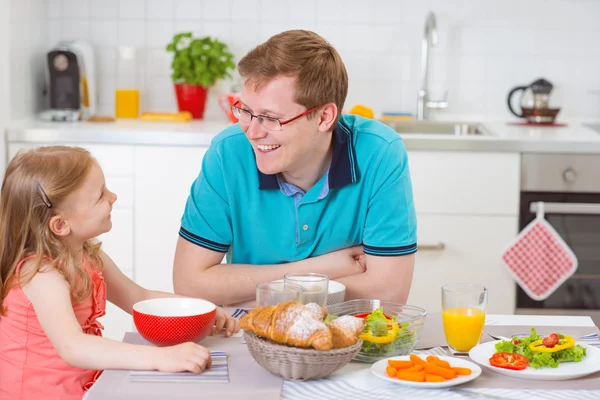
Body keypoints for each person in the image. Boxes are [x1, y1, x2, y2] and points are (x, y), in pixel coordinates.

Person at [173, 29, 417, 307]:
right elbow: (189, 284)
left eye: (271, 118)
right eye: (246, 111)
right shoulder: (229, 152)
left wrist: (258, 290)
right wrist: (320, 269)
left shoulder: (380, 152)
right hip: (250, 338)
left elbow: (388, 294)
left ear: (324, 117)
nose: (252, 132)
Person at [0, 146, 240, 400]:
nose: (113, 197)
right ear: (61, 225)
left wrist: (201, 312)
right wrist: (160, 357)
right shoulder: (41, 274)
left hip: (80, 388)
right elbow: (73, 346)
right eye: (100, 196)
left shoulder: (88, 256)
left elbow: (138, 297)